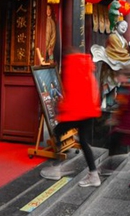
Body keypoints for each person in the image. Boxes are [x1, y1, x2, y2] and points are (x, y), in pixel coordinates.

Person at [40, 49, 102, 187]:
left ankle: (56, 168)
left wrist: (61, 111)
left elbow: (72, 93)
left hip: (76, 112)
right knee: (84, 143)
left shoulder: (73, 67)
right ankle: (94, 175)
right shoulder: (87, 67)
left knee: (57, 132)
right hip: (89, 112)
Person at [98, 65, 130, 188]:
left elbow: (122, 106)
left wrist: (115, 120)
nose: (117, 79)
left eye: (119, 76)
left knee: (123, 146)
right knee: (121, 145)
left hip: (129, 126)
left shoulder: (128, 88)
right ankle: (109, 167)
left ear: (125, 76)